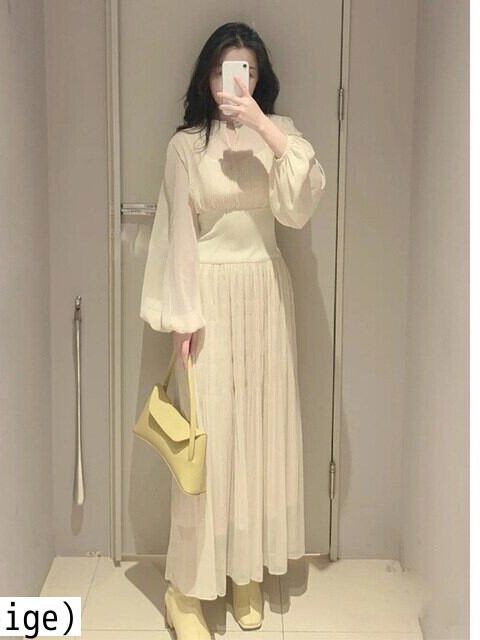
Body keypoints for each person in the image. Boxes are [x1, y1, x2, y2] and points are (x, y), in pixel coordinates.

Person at [139, 21, 326, 640]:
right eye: (222, 72)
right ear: (206, 77)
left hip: (266, 293)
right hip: (209, 299)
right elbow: (177, 237)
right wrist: (182, 321)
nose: (231, 85)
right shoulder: (186, 146)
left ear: (259, 78)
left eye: (243, 72)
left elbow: (299, 206)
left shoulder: (283, 135)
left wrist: (264, 126)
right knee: (209, 441)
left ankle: (246, 572)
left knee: (260, 432)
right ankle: (184, 591)